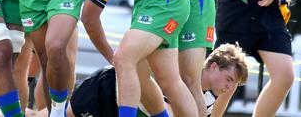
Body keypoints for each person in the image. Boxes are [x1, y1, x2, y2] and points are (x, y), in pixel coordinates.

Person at [21, 43, 248, 117]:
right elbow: (159, 103)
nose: (229, 87)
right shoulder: (182, 75)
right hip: (109, 88)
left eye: (234, 84)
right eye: (228, 79)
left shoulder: (210, 98)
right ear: (214, 66)